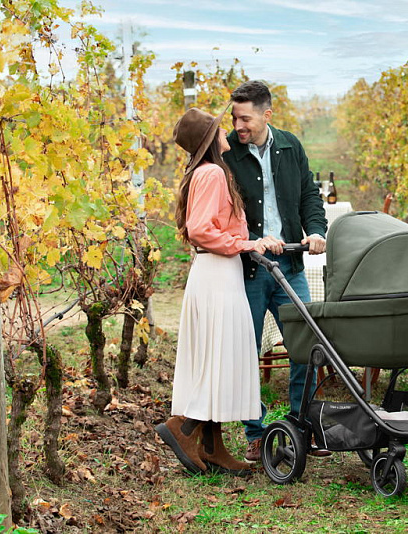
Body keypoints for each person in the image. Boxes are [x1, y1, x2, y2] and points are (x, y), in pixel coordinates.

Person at [155, 107, 275, 476]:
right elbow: (200, 229)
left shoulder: (207, 171)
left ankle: (212, 447)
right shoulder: (211, 173)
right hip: (217, 274)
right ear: (210, 139)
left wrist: (248, 242)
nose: (228, 131)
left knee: (217, 356)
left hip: (217, 271)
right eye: (220, 128)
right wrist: (246, 245)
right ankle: (184, 428)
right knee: (219, 357)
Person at [223, 80, 329, 462]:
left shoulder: (289, 146)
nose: (238, 126)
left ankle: (302, 427)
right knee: (246, 352)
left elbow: (308, 195)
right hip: (248, 269)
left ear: (267, 115)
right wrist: (253, 240)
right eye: (235, 118)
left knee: (307, 347)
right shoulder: (227, 152)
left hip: (290, 265)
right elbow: (222, 212)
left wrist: (315, 230)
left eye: (245, 118)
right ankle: (256, 433)